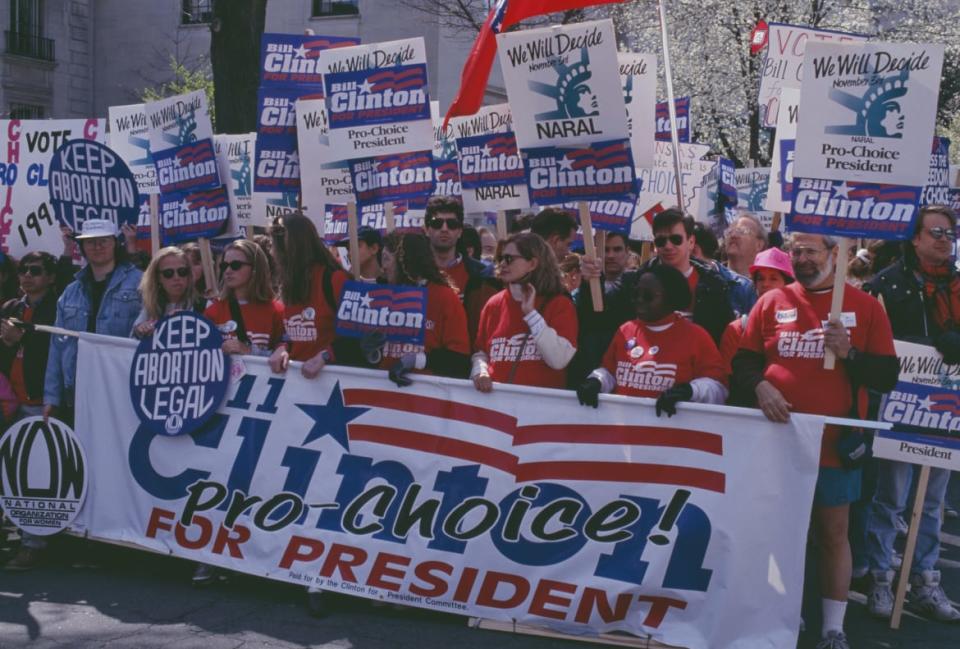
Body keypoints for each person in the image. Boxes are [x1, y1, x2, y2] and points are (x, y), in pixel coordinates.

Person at [731, 232, 898, 649]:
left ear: (835, 253)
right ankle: (780, 614)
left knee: (832, 533)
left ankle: (832, 628)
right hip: (775, 442)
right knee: (777, 531)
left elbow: (886, 377)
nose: (801, 258)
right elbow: (744, 360)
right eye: (795, 251)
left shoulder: (863, 306)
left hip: (834, 443)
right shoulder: (771, 302)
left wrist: (850, 355)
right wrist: (760, 387)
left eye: (811, 251)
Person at [862, 205, 960, 622]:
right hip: (901, 403)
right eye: (935, 231)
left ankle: (924, 580)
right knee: (891, 498)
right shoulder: (887, 284)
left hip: (946, 409)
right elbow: (873, 339)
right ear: (915, 238)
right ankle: (881, 579)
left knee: (933, 500)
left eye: (949, 232)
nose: (943, 238)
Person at [572, 209, 735, 388]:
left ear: (691, 242)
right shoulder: (633, 281)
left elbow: (724, 339)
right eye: (661, 240)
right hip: (642, 378)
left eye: (675, 239)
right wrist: (589, 284)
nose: (668, 246)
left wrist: (700, 388)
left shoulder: (714, 285)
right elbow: (598, 317)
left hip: (691, 384)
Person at [576, 264, 727, 415]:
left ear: (670, 298)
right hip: (624, 427)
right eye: (636, 294)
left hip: (671, 431)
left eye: (648, 296)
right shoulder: (625, 330)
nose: (639, 300)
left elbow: (719, 389)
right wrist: (597, 381)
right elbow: (609, 371)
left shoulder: (696, 337)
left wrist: (690, 391)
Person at [44, 219, 143, 425]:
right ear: (82, 247)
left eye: (104, 241)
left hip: (123, 391)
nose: (97, 247)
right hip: (77, 394)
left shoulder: (141, 283)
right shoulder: (70, 292)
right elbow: (57, 347)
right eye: (91, 242)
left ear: (115, 243)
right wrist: (52, 397)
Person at [0, 252, 61, 572]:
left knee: (34, 477)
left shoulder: (59, 306)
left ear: (51, 277)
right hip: (9, 402)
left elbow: (58, 351)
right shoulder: (10, 307)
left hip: (41, 402)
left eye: (36, 271)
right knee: (9, 472)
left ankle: (32, 545)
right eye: (23, 270)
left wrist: (21, 338)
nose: (27, 276)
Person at [472, 233, 577, 392]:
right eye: (500, 258)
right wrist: (480, 371)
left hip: (541, 409)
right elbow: (481, 353)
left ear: (533, 263)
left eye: (509, 259)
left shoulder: (560, 304)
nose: (502, 264)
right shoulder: (493, 304)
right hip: (498, 406)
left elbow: (559, 359)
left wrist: (531, 314)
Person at [267, 213, 353, 379]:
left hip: (334, 382)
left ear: (290, 247)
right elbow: (291, 329)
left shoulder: (335, 280)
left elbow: (359, 334)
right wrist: (282, 346)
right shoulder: (289, 283)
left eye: (274, 246)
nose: (271, 253)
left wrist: (325, 356)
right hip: (299, 383)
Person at [377, 232, 471, 385]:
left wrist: (417, 360)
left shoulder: (444, 297)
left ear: (404, 260)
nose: (383, 267)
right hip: (385, 396)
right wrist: (371, 350)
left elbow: (460, 362)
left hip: (425, 398)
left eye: (387, 259)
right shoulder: (382, 297)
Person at [423, 196, 499, 343]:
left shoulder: (481, 274)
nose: (444, 229)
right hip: (421, 361)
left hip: (468, 359)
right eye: (437, 223)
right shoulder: (412, 274)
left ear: (460, 231)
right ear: (427, 229)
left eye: (451, 224)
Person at [719, 247, 795, 376]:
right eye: (760, 278)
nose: (765, 284)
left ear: (787, 284)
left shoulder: (801, 325)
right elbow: (727, 380)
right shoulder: (737, 329)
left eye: (773, 278)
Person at [204, 240, 284, 356]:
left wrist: (249, 351)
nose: (228, 271)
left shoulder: (277, 311)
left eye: (236, 265)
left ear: (256, 268)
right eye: (224, 266)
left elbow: (287, 357)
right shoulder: (213, 311)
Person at [131, 247, 201, 338]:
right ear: (158, 278)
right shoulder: (150, 308)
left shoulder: (204, 306)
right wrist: (140, 330)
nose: (176, 277)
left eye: (182, 271)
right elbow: (131, 343)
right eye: (168, 273)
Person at [724, 214, 767, 278]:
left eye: (742, 231)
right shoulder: (710, 276)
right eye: (730, 231)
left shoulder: (768, 283)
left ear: (759, 245)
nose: (733, 235)